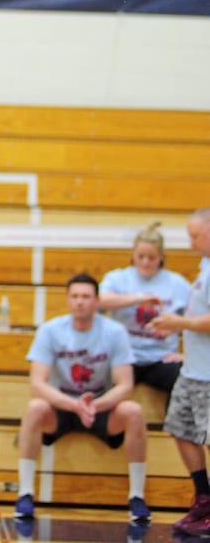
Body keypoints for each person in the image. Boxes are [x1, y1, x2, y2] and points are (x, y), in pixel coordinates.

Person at [14, 273, 151, 526]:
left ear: (97, 301)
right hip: (62, 405)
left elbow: (125, 385)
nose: (80, 302)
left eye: (86, 297)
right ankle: (25, 493)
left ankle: (137, 497)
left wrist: (95, 405)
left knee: (133, 411)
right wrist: (74, 405)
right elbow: (37, 384)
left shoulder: (114, 331)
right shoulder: (50, 330)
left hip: (100, 406)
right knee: (35, 407)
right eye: (75, 296)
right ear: (67, 300)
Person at [146, 207, 210, 537]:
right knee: (180, 426)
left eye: (195, 235)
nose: (190, 242)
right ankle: (204, 497)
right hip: (193, 370)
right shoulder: (204, 267)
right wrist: (183, 345)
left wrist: (178, 323)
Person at [99, 221, 191, 399]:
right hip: (125, 357)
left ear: (161, 258)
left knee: (184, 379)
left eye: (152, 258)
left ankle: (172, 426)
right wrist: (138, 298)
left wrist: (177, 332)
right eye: (140, 256)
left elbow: (197, 319)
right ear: (132, 255)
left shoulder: (176, 283)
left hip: (161, 358)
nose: (145, 262)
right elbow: (100, 301)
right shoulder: (118, 278)